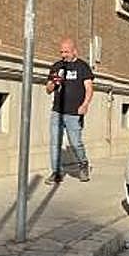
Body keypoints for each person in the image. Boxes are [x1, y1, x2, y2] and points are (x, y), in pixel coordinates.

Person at [45, 37, 94, 184]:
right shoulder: (57, 66)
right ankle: (56, 172)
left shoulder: (82, 67)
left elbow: (89, 89)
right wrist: (54, 82)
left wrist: (85, 104)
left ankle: (83, 164)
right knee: (55, 142)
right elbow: (48, 89)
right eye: (61, 52)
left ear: (74, 51)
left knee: (75, 143)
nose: (63, 55)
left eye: (66, 52)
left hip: (74, 113)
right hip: (57, 112)